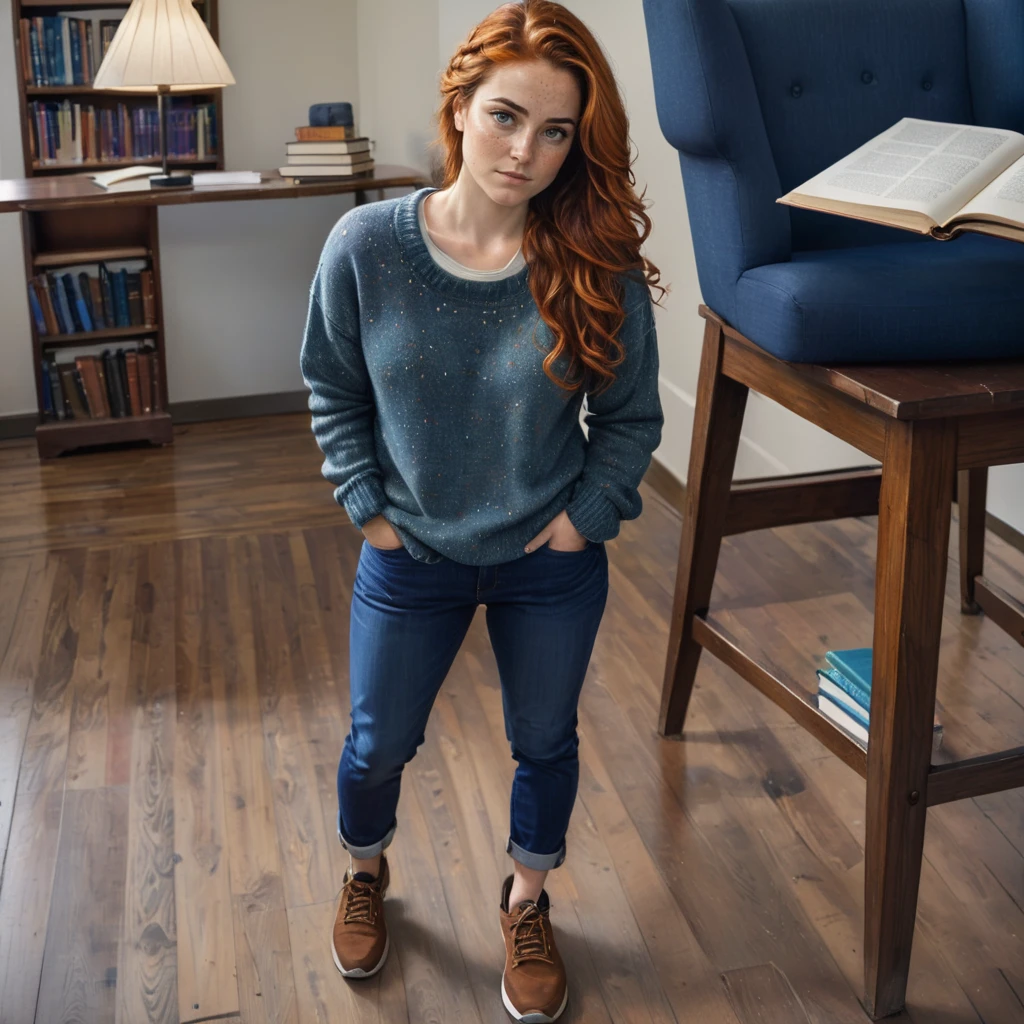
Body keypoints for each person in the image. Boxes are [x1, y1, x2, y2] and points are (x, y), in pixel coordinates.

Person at [299, 1, 664, 1019]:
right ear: (458, 107)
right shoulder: (366, 245)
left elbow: (630, 418)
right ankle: (366, 871)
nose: (526, 152)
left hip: (548, 555)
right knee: (376, 744)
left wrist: (584, 518)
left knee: (544, 738)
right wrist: (366, 505)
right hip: (409, 551)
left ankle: (527, 898)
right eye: (506, 117)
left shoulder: (590, 264)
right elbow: (330, 381)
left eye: (556, 132)